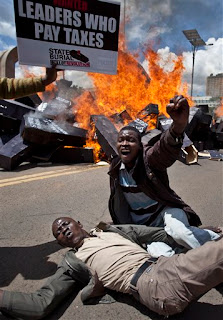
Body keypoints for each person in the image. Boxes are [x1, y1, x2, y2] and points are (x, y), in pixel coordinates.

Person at [0, 217, 222, 319]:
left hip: (166, 265)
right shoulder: (73, 262)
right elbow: (41, 303)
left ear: (79, 223)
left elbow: (158, 233)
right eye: (58, 232)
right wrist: (91, 292)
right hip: (153, 283)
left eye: (65, 224)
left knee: (215, 250)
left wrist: (203, 232)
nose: (63, 229)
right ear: (60, 243)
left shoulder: (110, 230)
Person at [108, 95, 221, 249]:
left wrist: (178, 127)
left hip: (166, 212)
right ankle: (201, 233)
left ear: (140, 146)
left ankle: (214, 252)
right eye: (121, 140)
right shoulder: (115, 168)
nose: (125, 144)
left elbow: (163, 151)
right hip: (145, 226)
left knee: (180, 234)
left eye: (131, 140)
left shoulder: (147, 159)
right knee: (161, 254)